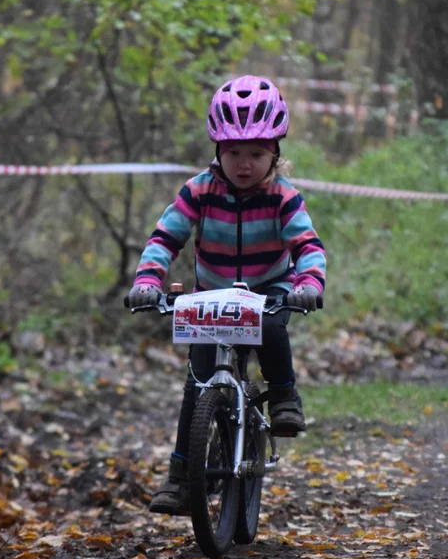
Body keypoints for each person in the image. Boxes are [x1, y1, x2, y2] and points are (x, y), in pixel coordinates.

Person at [128, 75, 327, 516]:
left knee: (273, 328)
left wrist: (308, 285)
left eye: (256, 154)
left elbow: (308, 248)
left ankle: (283, 396)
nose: (244, 163)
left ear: (275, 152)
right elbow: (165, 238)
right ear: (218, 149)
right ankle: (180, 479)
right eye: (234, 152)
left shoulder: (283, 197)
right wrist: (147, 281)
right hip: (212, 296)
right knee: (197, 384)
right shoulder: (198, 190)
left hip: (269, 292)